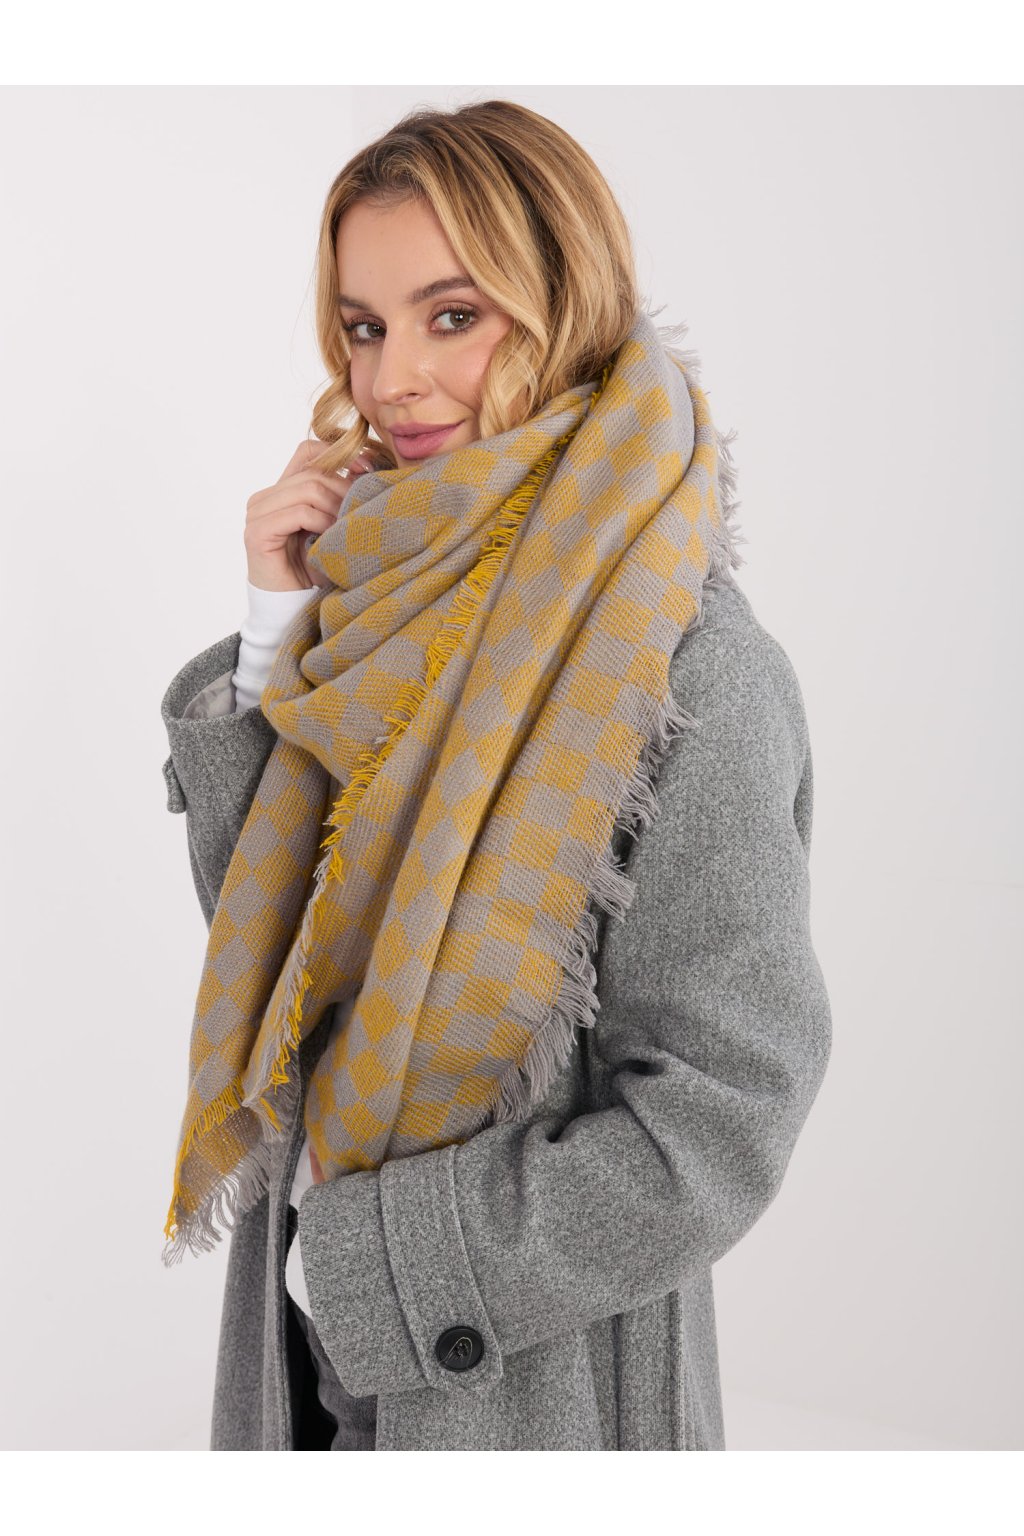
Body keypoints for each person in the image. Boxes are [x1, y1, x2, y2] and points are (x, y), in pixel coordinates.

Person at [159, 99, 832, 1452]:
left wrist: (375, 1269)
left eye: (452, 316)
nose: (393, 380)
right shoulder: (377, 609)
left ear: (562, 306)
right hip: (311, 1380)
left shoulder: (688, 666)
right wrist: (277, 631)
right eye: (364, 327)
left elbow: (720, 1117)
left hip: (533, 1404)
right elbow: (272, 954)